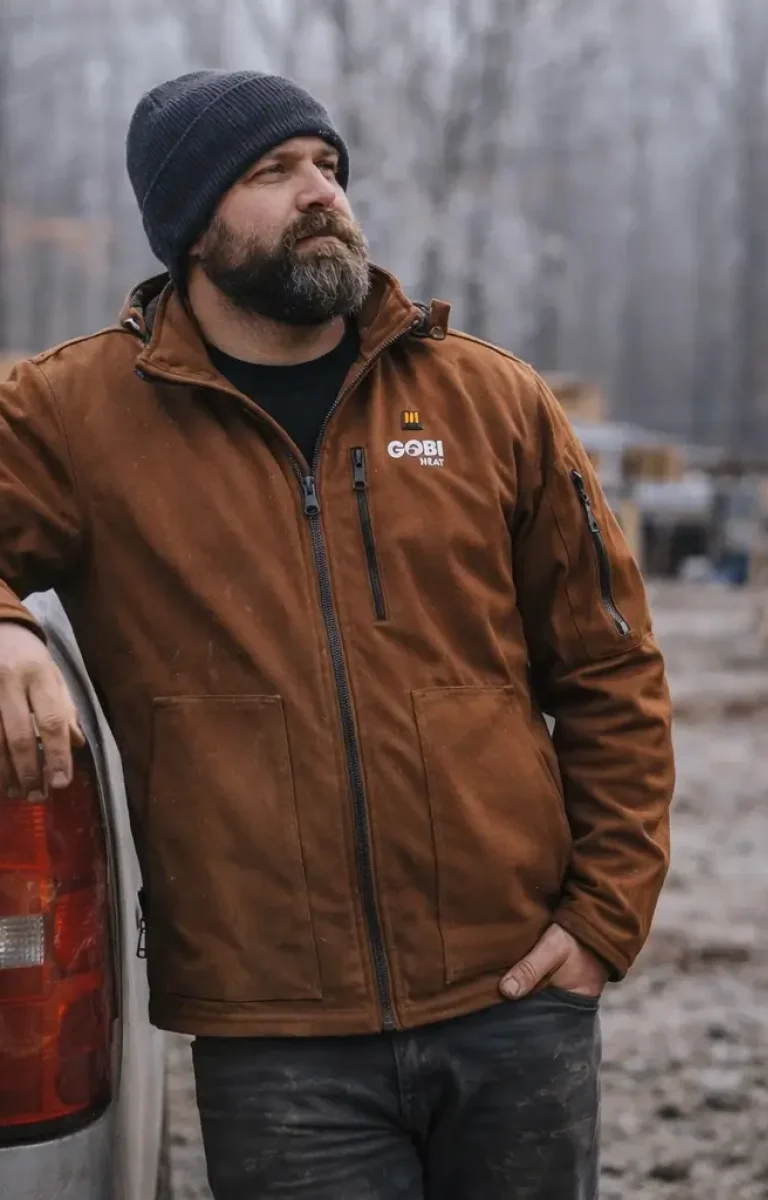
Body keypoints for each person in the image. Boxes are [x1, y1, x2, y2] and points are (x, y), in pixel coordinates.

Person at [0, 70, 674, 1199]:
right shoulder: (73, 417)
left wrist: (601, 921)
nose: (320, 193)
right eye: (272, 173)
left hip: (516, 1007)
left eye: (327, 166)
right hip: (278, 1045)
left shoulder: (487, 401)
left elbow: (609, 670)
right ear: (190, 228)